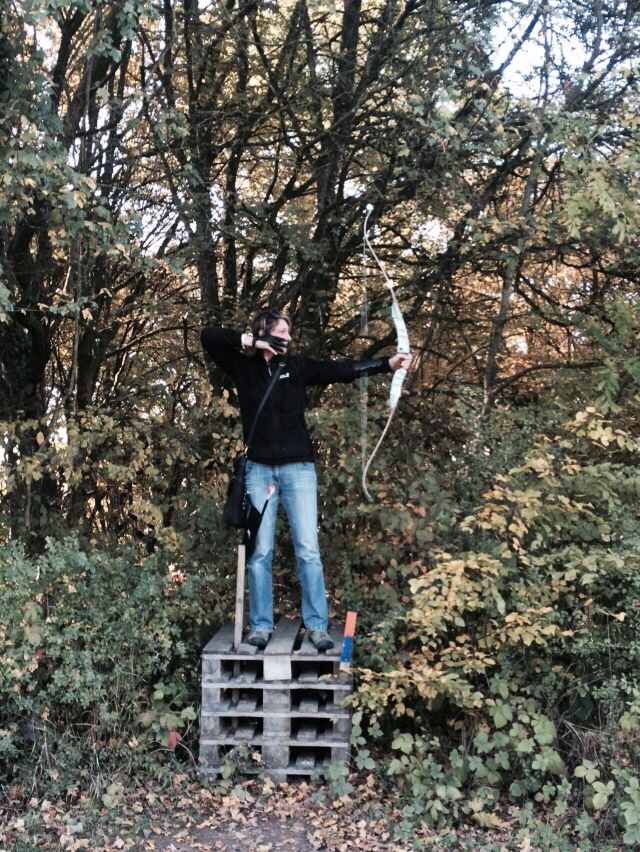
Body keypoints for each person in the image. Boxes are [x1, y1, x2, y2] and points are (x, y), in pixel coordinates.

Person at [201, 309, 411, 651]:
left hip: (298, 469)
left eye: (289, 331)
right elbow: (208, 336)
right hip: (259, 470)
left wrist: (387, 364)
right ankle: (261, 626)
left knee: (308, 551)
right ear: (265, 333)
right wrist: (252, 342)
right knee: (260, 552)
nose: (288, 337)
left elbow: (342, 371)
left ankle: (317, 626)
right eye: (281, 331)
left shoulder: (297, 367)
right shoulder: (243, 367)